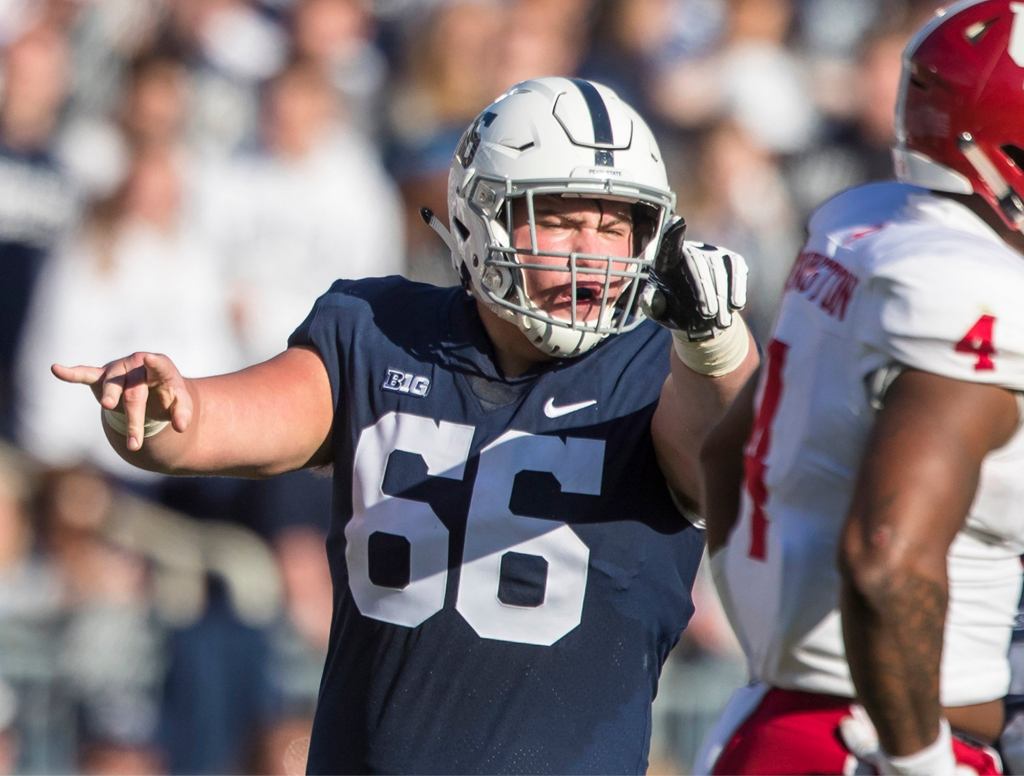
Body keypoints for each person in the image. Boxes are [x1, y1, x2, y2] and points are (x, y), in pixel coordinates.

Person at [53, 76, 757, 773]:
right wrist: (164, 409)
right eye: (564, 218)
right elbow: (220, 423)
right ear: (484, 215)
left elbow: (732, 450)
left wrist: (716, 343)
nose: (591, 255)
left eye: (614, 226)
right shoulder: (380, 331)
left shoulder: (659, 372)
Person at [697, 2, 1024, 773]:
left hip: (777, 719)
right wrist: (920, 760)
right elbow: (887, 557)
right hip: (878, 741)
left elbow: (725, 456)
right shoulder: (975, 292)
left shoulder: (875, 233)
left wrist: (782, 647)